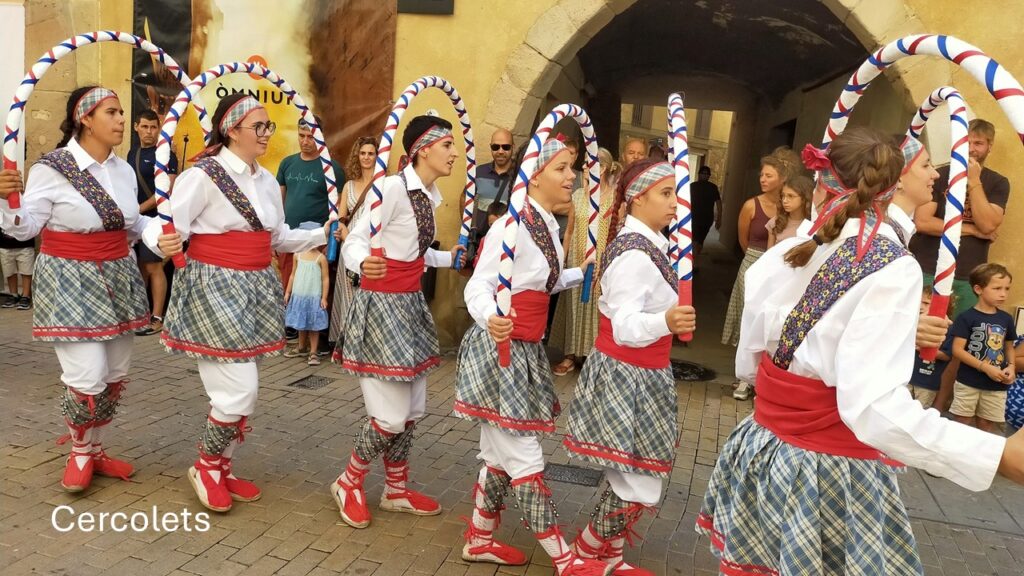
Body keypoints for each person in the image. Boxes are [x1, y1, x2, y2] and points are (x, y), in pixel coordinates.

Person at [696, 126, 1024, 575]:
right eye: (925, 164)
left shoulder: (790, 251)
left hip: (765, 446)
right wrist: (996, 455)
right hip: (825, 470)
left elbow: (754, 361)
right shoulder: (893, 268)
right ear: (894, 181)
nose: (935, 174)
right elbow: (872, 410)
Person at [143, 93, 329, 513]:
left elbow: (277, 238)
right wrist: (161, 240)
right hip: (215, 287)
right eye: (258, 126)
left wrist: (323, 233)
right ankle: (206, 467)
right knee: (239, 391)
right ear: (231, 130)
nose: (267, 134)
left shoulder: (266, 180)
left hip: (255, 287)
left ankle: (220, 466)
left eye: (268, 126)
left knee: (240, 389)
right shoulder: (203, 175)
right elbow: (166, 225)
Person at [454, 137, 600, 575]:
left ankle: (480, 538)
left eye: (573, 167)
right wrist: (490, 316)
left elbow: (539, 283)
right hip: (500, 350)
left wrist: (579, 274)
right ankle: (564, 559)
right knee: (525, 457)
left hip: (525, 351)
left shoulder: (546, 224)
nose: (572, 177)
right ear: (534, 176)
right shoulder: (510, 225)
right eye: (562, 168)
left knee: (499, 455)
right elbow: (478, 286)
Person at [0, 86, 150, 492]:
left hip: (118, 276)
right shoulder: (52, 168)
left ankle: (97, 448)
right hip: (70, 278)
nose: (122, 119)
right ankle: (80, 452)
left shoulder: (122, 170)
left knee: (114, 373)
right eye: (112, 112)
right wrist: (7, 201)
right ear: (85, 118)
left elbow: (132, 224)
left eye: (121, 112)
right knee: (87, 375)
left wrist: (160, 234)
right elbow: (26, 228)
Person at [330, 114, 466, 529]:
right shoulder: (391, 188)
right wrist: (362, 263)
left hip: (409, 307)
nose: (455, 153)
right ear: (423, 149)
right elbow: (354, 241)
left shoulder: (428, 194)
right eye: (447, 146)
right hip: (381, 307)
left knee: (411, 410)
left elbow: (411, 252)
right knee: (389, 416)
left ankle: (395, 488)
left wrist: (446, 258)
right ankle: (348, 482)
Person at [563, 159, 696, 576]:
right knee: (639, 481)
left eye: (675, 193)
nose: (675, 203)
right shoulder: (635, 253)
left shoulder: (651, 244)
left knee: (630, 473)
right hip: (627, 373)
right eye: (666, 194)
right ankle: (585, 551)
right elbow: (624, 327)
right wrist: (666, 322)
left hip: (644, 373)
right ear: (637, 198)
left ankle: (610, 556)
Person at [910, 119, 1010, 318]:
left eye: (978, 143)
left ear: (989, 146)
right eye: (966, 142)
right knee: (921, 326)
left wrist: (973, 181)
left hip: (970, 275)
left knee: (958, 332)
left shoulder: (998, 182)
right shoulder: (938, 175)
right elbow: (923, 222)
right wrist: (972, 230)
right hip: (929, 268)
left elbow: (987, 225)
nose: (971, 149)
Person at [723, 148, 798, 400]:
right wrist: (759, 263)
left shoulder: (791, 205)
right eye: (761, 175)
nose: (762, 179)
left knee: (771, 322)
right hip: (754, 262)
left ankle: (763, 375)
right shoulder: (750, 205)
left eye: (768, 175)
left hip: (782, 268)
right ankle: (744, 377)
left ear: (782, 178)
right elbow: (743, 240)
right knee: (749, 317)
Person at [549, 147, 621, 376]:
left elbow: (618, 233)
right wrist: (561, 260)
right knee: (573, 304)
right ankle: (570, 354)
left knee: (596, 306)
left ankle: (593, 354)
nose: (583, 167)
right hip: (577, 257)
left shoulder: (614, 197)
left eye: (588, 163)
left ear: (603, 168)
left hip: (601, 259)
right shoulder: (579, 195)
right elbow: (569, 231)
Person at [276, 116, 345, 289]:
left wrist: (331, 243)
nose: (305, 141)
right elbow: (278, 204)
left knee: (314, 293)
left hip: (317, 242)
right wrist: (275, 237)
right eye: (301, 135)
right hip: (289, 239)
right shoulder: (287, 163)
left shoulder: (332, 169)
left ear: (320, 136)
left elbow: (339, 210)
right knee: (288, 291)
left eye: (310, 137)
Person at [127, 109, 178, 335]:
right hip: (135, 220)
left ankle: (157, 318)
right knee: (139, 267)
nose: (149, 131)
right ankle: (141, 313)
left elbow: (166, 190)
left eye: (153, 127)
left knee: (153, 266)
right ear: (136, 127)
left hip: (157, 220)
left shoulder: (166, 154)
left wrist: (138, 209)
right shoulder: (132, 153)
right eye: (145, 126)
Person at [949, 263, 1016, 433]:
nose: (1003, 294)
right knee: (962, 420)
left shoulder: (1006, 319)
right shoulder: (966, 317)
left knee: (986, 423)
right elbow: (957, 350)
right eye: (997, 288)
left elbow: (1009, 347)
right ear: (978, 289)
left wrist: (1011, 367)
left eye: (1007, 288)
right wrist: (985, 367)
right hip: (968, 381)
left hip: (996, 384)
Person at [329, 136, 377, 347]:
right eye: (362, 153)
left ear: (377, 157)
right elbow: (341, 218)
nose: (366, 157)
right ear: (357, 156)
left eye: (371, 153)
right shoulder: (349, 185)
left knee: (368, 292)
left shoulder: (383, 184)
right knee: (349, 292)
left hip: (371, 245)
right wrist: (344, 234)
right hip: (349, 245)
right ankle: (348, 343)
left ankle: (366, 342)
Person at [284, 222, 331, 366]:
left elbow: (325, 279)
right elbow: (293, 275)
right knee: (301, 324)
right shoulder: (297, 255)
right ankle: (301, 347)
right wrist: (288, 292)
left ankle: (313, 352)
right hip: (299, 296)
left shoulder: (320, 258)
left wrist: (324, 297)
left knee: (313, 326)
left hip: (313, 298)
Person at [474, 128, 515, 236]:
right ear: (491, 147)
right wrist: (469, 225)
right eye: (495, 147)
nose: (500, 151)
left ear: (513, 147)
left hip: (508, 239)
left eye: (506, 147)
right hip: (480, 239)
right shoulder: (479, 172)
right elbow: (464, 198)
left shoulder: (520, 175)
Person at [766, 173, 811, 248]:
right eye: (783, 195)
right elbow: (769, 253)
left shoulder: (813, 224)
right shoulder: (776, 222)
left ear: (804, 198)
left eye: (790, 196)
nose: (784, 200)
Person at [690, 165, 721, 257]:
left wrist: (719, 219)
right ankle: (693, 261)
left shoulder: (713, 187)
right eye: (703, 173)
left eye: (707, 174)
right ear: (699, 174)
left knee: (700, 242)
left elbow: (718, 203)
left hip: (707, 219)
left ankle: (695, 257)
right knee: (695, 240)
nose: (705, 175)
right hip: (693, 218)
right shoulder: (692, 186)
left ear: (709, 176)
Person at [0, 228, 35, 309]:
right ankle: (13, 295)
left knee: (26, 271)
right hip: (4, 245)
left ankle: (26, 296)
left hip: (26, 244)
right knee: (9, 271)